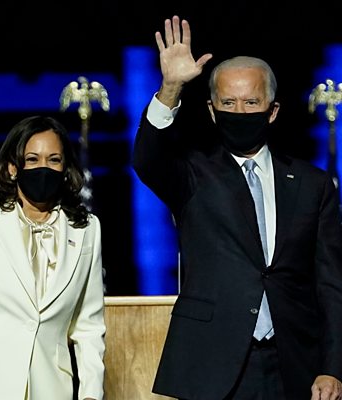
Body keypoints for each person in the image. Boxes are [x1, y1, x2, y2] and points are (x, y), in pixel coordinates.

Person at [132, 15, 342, 400]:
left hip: (295, 364)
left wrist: (333, 367)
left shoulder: (312, 184)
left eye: (251, 102)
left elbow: (331, 285)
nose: (240, 112)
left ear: (272, 111)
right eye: (228, 103)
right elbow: (148, 160)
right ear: (212, 111)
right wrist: (171, 87)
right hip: (212, 363)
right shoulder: (191, 174)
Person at [0, 116, 106, 400]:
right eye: (32, 159)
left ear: (65, 168)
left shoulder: (86, 229)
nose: (44, 167)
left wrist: (91, 393)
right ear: (13, 167)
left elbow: (89, 325)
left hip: (51, 388)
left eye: (54, 160)